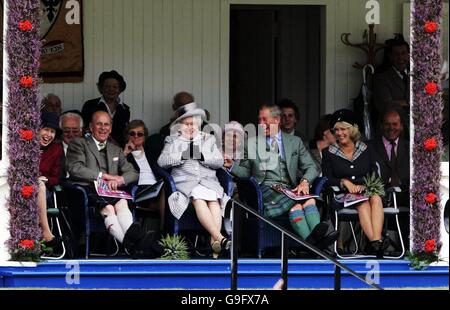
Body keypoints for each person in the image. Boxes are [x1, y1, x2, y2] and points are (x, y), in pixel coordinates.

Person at [224, 104, 338, 249]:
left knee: (307, 202)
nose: (260, 124)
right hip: (264, 190)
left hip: (289, 190)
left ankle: (312, 244)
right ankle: (319, 244)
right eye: (259, 120)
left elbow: (312, 167)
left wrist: (304, 182)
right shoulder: (250, 144)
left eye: (265, 119)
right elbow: (246, 172)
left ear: (277, 120)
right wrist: (231, 166)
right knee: (299, 204)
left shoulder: (294, 142)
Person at [157, 103, 230, 258]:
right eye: (187, 124)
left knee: (214, 201)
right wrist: (182, 156)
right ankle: (219, 238)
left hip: (209, 182)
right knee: (198, 198)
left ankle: (215, 243)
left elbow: (219, 162)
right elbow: (162, 162)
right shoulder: (172, 140)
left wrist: (203, 157)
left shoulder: (208, 139)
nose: (191, 127)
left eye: (194, 124)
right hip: (186, 185)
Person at [321, 109, 389, 257]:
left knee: (376, 198)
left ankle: (375, 242)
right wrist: (344, 182)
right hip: (344, 195)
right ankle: (377, 242)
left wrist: (366, 186)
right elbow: (326, 178)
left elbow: (376, 173)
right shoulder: (329, 152)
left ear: (352, 129)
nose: (339, 133)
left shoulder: (366, 149)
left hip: (366, 190)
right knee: (362, 203)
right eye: (336, 130)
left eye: (343, 129)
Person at [66, 111, 138, 245]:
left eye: (106, 125)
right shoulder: (79, 144)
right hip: (86, 190)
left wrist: (120, 180)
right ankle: (132, 245)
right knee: (109, 209)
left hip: (109, 191)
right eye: (99, 124)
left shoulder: (116, 150)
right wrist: (103, 176)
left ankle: (132, 245)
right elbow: (75, 168)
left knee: (123, 203)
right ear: (91, 127)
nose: (103, 128)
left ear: (110, 128)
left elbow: (132, 172)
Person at [123, 120, 165, 230]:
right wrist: (125, 153)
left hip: (156, 188)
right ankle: (164, 235)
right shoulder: (123, 154)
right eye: (132, 133)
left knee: (169, 194)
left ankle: (163, 234)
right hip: (138, 190)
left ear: (145, 137)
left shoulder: (152, 153)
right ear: (127, 136)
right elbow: (116, 171)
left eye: (140, 134)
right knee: (166, 198)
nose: (136, 136)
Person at [81, 70, 130, 147]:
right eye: (107, 86)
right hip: (94, 149)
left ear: (120, 89)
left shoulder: (125, 109)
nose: (111, 89)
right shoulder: (90, 105)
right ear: (101, 88)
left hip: (118, 150)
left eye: (115, 87)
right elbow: (84, 130)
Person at [373, 38, 410, 135]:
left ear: (409, 55)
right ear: (390, 56)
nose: (400, 57)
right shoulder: (382, 78)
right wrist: (412, 102)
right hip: (392, 131)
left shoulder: (417, 75)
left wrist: (402, 102)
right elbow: (387, 104)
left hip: (416, 129)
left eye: (404, 53)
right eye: (396, 54)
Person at [38, 113, 64, 244]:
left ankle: (46, 232)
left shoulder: (56, 149)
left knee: (39, 185)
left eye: (52, 131)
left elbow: (57, 177)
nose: (49, 134)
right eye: (46, 129)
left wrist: (46, 179)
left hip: (44, 190)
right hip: (20, 186)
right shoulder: (25, 145)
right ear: (38, 129)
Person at [371, 108, 409, 190]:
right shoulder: (369, 147)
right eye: (387, 124)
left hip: (406, 197)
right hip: (379, 197)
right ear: (381, 126)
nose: (391, 127)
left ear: (401, 126)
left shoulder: (410, 148)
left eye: (395, 124)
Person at [59, 111, 84, 179]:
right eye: (67, 131)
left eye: (75, 131)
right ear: (60, 132)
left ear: (81, 132)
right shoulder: (54, 150)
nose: (71, 134)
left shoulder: (88, 149)